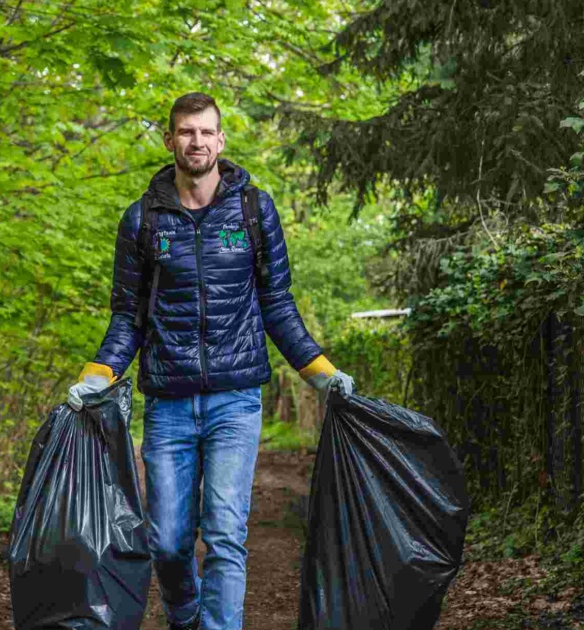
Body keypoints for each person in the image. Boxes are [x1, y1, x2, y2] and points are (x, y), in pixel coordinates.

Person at [67, 92, 354, 630]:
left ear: (221, 140)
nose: (196, 141)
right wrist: (96, 376)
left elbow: (277, 302)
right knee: (168, 542)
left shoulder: (253, 209)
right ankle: (186, 614)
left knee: (225, 535)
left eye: (206, 132)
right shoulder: (141, 221)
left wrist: (321, 372)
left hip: (236, 401)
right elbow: (126, 317)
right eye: (185, 132)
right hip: (169, 405)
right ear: (169, 140)